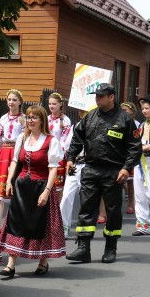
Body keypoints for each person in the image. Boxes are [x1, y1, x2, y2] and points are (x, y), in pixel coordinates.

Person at [66, 83, 141, 264]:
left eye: (100, 96)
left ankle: (110, 248)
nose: (97, 99)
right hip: (91, 169)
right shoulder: (90, 116)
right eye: (96, 96)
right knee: (86, 209)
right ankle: (83, 248)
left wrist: (126, 168)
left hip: (113, 172)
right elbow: (77, 138)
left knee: (113, 211)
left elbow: (134, 147)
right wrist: (71, 158)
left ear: (111, 97)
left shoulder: (125, 120)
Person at [0, 105, 66, 277]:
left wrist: (47, 191)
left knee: (40, 225)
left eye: (34, 117)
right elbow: (15, 161)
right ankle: (10, 265)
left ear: (42, 120)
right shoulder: (22, 138)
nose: (30, 120)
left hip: (40, 186)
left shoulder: (51, 141)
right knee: (15, 222)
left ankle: (43, 262)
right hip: (22, 187)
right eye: (28, 117)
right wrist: (9, 181)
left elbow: (53, 169)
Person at [0, 89, 26, 223]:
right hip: (4, 153)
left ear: (20, 102)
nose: (11, 102)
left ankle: (13, 222)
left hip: (17, 152)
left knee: (15, 187)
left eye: (14, 100)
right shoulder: (3, 118)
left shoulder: (23, 119)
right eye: (9, 99)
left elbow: (26, 138)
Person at [60, 110, 87, 238]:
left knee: (86, 198)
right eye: (82, 112)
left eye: (86, 112)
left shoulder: (98, 125)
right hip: (75, 164)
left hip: (89, 165)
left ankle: (84, 228)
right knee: (66, 196)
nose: (83, 113)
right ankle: (64, 226)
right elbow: (66, 145)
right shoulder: (75, 126)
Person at [132, 95, 150, 236]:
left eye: (147, 108)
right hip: (139, 163)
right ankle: (143, 225)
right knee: (139, 195)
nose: (144, 111)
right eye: (142, 108)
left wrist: (146, 147)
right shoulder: (141, 125)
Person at [47, 92, 72, 198]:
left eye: (54, 104)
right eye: (50, 104)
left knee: (58, 185)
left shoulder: (66, 120)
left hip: (58, 154)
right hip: (45, 153)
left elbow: (65, 140)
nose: (51, 106)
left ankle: (58, 210)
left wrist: (58, 153)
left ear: (60, 104)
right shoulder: (46, 118)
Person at [120, 101, 140, 215]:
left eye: (125, 110)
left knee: (130, 181)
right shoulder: (119, 121)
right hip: (119, 154)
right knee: (119, 180)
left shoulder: (136, 124)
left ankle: (131, 204)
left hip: (130, 155)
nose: (123, 112)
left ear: (132, 111)